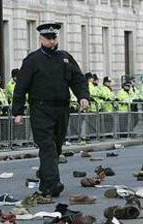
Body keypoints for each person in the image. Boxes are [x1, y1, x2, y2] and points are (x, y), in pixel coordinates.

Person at [12, 22, 89, 197]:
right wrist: (17, 111)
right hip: (41, 109)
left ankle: (45, 175)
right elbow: (21, 87)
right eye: (48, 38)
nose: (52, 41)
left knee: (57, 146)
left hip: (61, 109)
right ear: (40, 39)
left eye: (54, 38)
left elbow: (78, 79)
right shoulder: (32, 60)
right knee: (47, 146)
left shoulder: (65, 58)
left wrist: (83, 96)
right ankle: (53, 183)